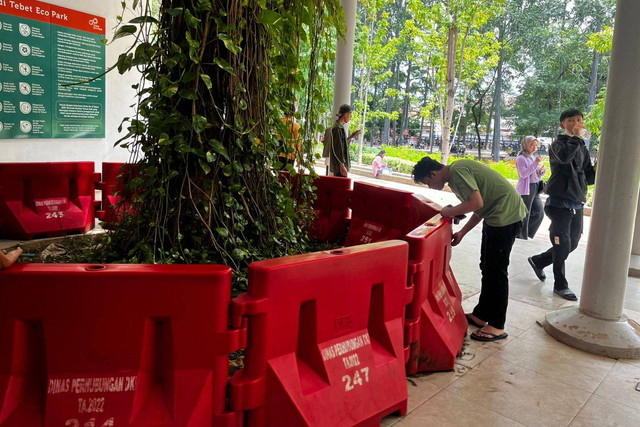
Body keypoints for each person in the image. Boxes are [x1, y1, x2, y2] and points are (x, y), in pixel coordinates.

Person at [413, 157, 527, 342]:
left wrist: (447, 212)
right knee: (487, 267)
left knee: (496, 271)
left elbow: (476, 202)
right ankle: (482, 314)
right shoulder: (456, 174)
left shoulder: (457, 172)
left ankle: (497, 325)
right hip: (496, 216)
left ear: (433, 174)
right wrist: (462, 232)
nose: (430, 187)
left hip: (506, 218)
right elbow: (480, 207)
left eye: (428, 183)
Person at [527, 109, 596, 301]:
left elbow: (589, 177)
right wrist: (575, 138)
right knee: (561, 244)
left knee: (571, 244)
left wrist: (599, 166)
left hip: (577, 202)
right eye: (571, 120)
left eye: (579, 120)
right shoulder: (558, 144)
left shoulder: (582, 146)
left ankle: (538, 260)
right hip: (558, 203)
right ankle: (560, 284)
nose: (576, 123)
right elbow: (565, 158)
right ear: (562, 125)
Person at [515, 136, 546, 239]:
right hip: (526, 188)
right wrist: (536, 163)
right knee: (525, 213)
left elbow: (535, 173)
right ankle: (521, 235)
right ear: (525, 145)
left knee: (539, 212)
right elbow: (524, 174)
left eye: (536, 146)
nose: (534, 148)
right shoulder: (521, 158)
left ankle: (528, 233)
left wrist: (541, 171)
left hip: (535, 187)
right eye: (532, 145)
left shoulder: (532, 157)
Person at [329, 104, 360, 177]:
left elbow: (342, 143)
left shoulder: (340, 127)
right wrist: (342, 165)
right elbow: (337, 148)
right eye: (350, 115)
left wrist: (352, 136)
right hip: (339, 167)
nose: (350, 117)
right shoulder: (337, 128)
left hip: (341, 165)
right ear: (345, 114)